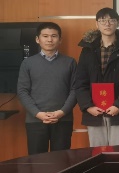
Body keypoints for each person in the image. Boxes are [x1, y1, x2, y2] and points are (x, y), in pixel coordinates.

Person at [75, 7, 119, 147]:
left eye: (111, 20)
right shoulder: (87, 50)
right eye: (103, 20)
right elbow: (80, 82)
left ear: (117, 23)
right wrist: (88, 106)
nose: (107, 24)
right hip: (94, 112)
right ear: (97, 24)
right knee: (98, 153)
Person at [17, 22, 77, 155]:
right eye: (45, 36)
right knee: (37, 161)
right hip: (35, 120)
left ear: (60, 39)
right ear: (37, 39)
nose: (50, 39)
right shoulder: (27, 63)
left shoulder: (70, 62)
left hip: (63, 119)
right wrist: (38, 114)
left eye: (54, 36)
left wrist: (61, 112)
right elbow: (22, 91)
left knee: (62, 160)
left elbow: (75, 90)